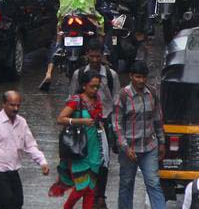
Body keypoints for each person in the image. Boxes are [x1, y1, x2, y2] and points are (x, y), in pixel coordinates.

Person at [0, 91, 50, 209]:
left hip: (13, 172)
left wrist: (42, 161)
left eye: (18, 105)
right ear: (4, 104)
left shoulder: (22, 122)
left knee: (18, 203)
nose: (16, 108)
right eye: (12, 105)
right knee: (5, 204)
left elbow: (30, 145)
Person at [39, 0, 103, 91]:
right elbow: (94, 0)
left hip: (66, 17)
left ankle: (48, 73)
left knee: (58, 39)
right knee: (100, 28)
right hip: (87, 18)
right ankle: (105, 54)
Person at [69, 41, 119, 208]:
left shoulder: (111, 75)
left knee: (103, 160)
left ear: (103, 55)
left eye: (98, 56)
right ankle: (85, 190)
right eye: (92, 56)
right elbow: (72, 99)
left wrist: (115, 125)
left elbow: (117, 101)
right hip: (83, 124)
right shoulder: (78, 74)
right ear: (87, 55)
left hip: (104, 123)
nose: (95, 59)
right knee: (84, 160)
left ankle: (99, 195)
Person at [113, 61, 166, 209]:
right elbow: (117, 125)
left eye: (143, 77)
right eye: (138, 77)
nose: (141, 81)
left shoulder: (152, 94)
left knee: (153, 182)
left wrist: (162, 142)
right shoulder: (123, 96)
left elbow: (157, 119)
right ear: (131, 76)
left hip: (149, 147)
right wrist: (125, 147)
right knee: (126, 183)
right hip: (129, 149)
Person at [51, 71, 106, 209]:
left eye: (97, 87)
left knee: (90, 190)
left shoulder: (97, 100)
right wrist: (80, 121)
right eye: (92, 86)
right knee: (81, 187)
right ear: (83, 86)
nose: (95, 89)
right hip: (79, 150)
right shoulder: (76, 100)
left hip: (94, 149)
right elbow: (60, 119)